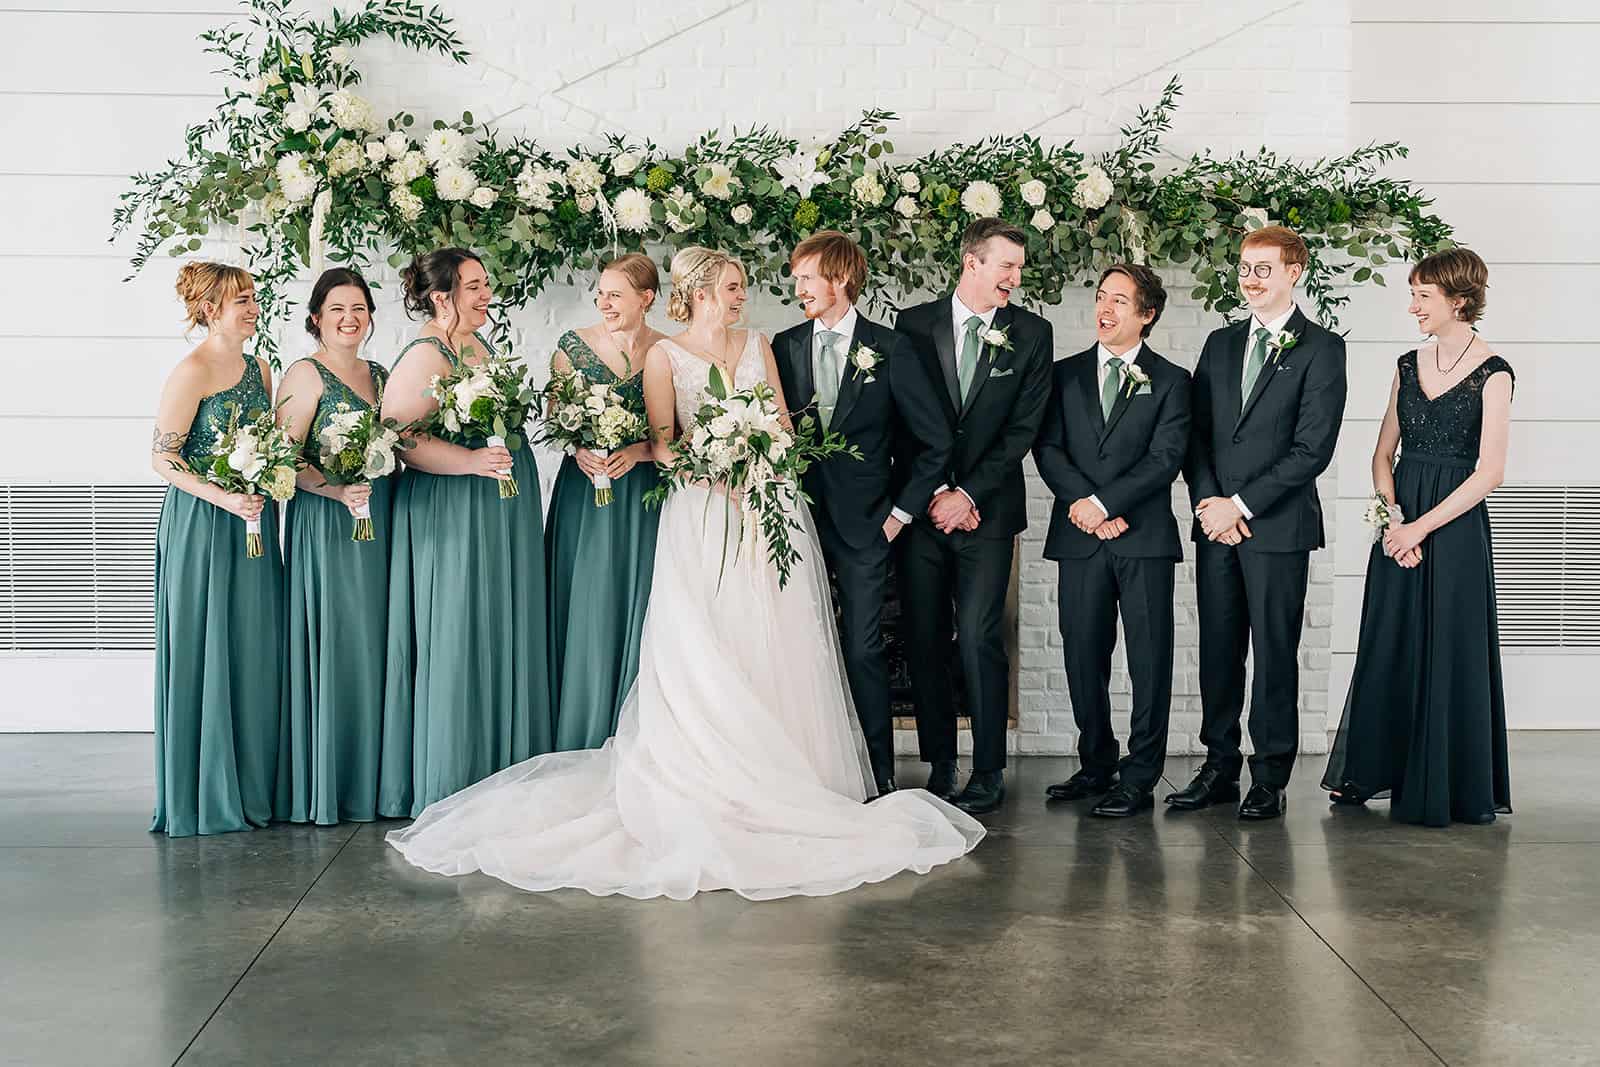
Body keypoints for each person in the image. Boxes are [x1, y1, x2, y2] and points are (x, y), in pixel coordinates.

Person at [386, 247, 983, 900]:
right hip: (699, 512)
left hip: (765, 509)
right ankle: (705, 771)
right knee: (705, 640)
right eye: (731, 286)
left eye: (742, 287)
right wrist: (712, 465)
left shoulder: (759, 343)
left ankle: (788, 777)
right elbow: (666, 440)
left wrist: (761, 458)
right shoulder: (665, 357)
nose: (741, 297)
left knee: (777, 641)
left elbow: (783, 427)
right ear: (698, 291)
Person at [1322, 248, 1513, 826]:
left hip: (1451, 532)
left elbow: (1489, 473)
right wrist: (1390, 521)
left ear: (1459, 300)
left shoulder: (1495, 373)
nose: (1412, 307)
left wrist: (1417, 529)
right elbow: (1383, 454)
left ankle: (1449, 781)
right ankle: (1373, 769)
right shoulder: (1407, 365)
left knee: (1449, 645)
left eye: (1423, 297)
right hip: (1399, 523)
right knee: (1391, 640)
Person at [1173, 225, 1347, 821]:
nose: (1250, 278)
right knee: (1218, 649)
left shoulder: (1322, 349)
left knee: (1275, 652)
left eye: (1263, 268)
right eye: (1245, 267)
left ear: (1294, 272)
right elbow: (1194, 436)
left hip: (1275, 528)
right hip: (1214, 525)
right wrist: (1207, 505)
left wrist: (1239, 506)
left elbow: (1311, 449)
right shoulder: (1219, 345)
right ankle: (1218, 766)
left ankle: (1269, 775)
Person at [771, 231, 952, 796]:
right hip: (794, 521)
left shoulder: (892, 349)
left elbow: (935, 442)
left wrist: (899, 513)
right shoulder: (784, 345)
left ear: (840, 279)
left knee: (862, 646)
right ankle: (804, 769)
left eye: (806, 277)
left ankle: (877, 773)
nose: (797, 287)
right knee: (796, 644)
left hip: (870, 523)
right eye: (796, 278)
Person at [377, 248, 551, 818]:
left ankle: (501, 763)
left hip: (499, 508)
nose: (486, 295)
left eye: (485, 284)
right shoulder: (425, 355)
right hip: (453, 510)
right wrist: (470, 463)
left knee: (497, 623)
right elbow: (397, 438)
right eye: (473, 287)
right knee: (457, 628)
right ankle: (453, 773)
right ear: (440, 296)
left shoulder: (474, 345)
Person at [893, 218, 1055, 814]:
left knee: (982, 637)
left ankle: (988, 767)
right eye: (1006, 265)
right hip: (922, 510)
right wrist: (934, 491)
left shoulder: (1033, 334)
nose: (1015, 276)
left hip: (988, 514)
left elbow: (1023, 429)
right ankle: (940, 762)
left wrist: (968, 495)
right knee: (925, 635)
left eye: (1018, 266)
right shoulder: (912, 326)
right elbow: (901, 417)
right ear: (971, 262)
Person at [1034, 265, 1191, 817]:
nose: (1105, 309)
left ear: (1146, 315)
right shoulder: (1062, 375)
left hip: (1142, 539)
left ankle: (1142, 774)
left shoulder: (1172, 381)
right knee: (1082, 654)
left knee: (1149, 661)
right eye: (1101, 297)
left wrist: (1106, 505)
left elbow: (1165, 458)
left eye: (1120, 301)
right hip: (1079, 537)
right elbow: (1048, 448)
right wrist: (1086, 508)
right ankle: (1096, 762)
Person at [149, 262, 283, 836]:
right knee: (208, 644)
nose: (252, 308)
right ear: (209, 309)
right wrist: (222, 498)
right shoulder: (191, 372)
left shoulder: (260, 367)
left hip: (253, 519)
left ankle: (254, 782)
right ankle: (204, 791)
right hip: (205, 523)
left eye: (254, 298)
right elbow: (163, 458)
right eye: (241, 301)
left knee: (253, 644)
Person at [275, 268, 392, 825]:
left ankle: (378, 778)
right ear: (317, 316)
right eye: (338, 308)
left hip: (381, 520)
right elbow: (285, 461)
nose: (351, 318)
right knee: (339, 643)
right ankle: (332, 782)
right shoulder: (305, 374)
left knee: (379, 644)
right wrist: (335, 489)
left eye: (360, 308)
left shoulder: (382, 373)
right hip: (328, 526)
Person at [546, 253, 665, 751]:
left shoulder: (668, 350)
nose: (603, 303)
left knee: (643, 600)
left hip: (644, 494)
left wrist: (639, 451)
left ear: (647, 298)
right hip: (586, 493)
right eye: (600, 294)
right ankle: (581, 725)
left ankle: (639, 729)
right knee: (588, 599)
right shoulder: (571, 348)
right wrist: (579, 448)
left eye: (614, 294)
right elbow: (556, 420)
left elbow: (674, 429)